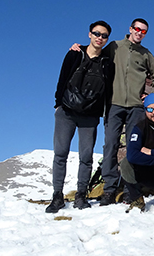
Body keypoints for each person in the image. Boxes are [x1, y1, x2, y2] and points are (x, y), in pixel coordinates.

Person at [71, 18, 154, 205]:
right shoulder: (114, 46)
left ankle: (129, 189)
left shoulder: (145, 54)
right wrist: (78, 48)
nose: (139, 32)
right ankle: (109, 190)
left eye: (143, 31)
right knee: (110, 145)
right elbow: (94, 53)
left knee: (133, 148)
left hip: (136, 107)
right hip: (113, 105)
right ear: (130, 29)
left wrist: (150, 94)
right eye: (137, 29)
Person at [46, 20, 112, 213]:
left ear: (107, 40)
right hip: (66, 112)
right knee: (60, 154)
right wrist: (58, 104)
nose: (100, 37)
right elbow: (62, 78)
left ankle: (81, 196)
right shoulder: (75, 53)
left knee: (86, 157)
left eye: (104, 35)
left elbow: (108, 90)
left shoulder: (107, 63)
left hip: (90, 116)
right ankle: (57, 196)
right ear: (89, 34)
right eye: (97, 33)